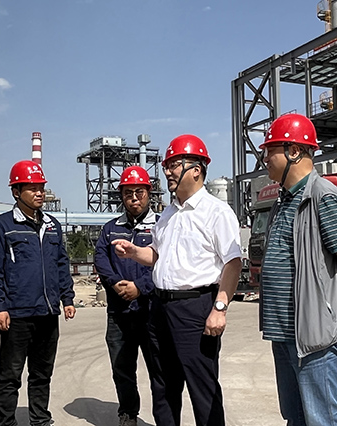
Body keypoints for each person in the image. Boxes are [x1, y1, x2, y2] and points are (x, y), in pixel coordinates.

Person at [113, 135, 242, 426]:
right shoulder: (168, 214)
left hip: (195, 308)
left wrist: (220, 308)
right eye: (167, 166)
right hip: (159, 308)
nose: (167, 172)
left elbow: (233, 263)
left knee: (202, 388)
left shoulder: (216, 212)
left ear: (196, 169)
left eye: (174, 165)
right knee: (163, 387)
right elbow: (157, 255)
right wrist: (134, 252)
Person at [259, 113, 337, 426]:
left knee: (323, 419)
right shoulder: (283, 201)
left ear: (294, 151)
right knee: (295, 417)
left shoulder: (323, 196)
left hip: (313, 335)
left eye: (270, 151)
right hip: (283, 333)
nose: (265, 159)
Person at [0, 160, 76, 426]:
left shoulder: (52, 225)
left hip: (48, 312)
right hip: (17, 314)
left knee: (42, 373)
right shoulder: (2, 226)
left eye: (41, 188)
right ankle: (7, 422)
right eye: (32, 188)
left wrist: (67, 298)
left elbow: (61, 264)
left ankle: (40, 420)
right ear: (16, 192)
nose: (39, 193)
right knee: (10, 375)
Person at [94, 166, 157, 426]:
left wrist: (140, 287)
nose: (133, 198)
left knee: (159, 369)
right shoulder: (110, 229)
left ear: (148, 193)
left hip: (151, 311)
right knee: (122, 368)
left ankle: (165, 416)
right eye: (128, 193)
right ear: (121, 195)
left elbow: (165, 263)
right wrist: (115, 283)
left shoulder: (161, 226)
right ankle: (128, 413)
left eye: (139, 192)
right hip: (119, 312)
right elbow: (101, 258)